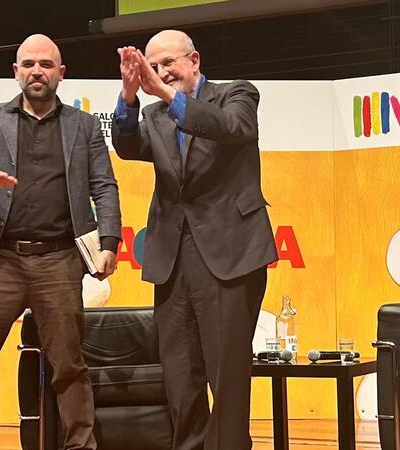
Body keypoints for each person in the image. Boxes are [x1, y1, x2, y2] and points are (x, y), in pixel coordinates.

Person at [0, 34, 121, 450]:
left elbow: (104, 186)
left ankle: (80, 446)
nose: (37, 71)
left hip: (60, 261)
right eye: (29, 63)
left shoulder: (82, 125)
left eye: (46, 65)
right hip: (2, 261)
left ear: (60, 74)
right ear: (16, 72)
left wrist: (109, 242)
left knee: (69, 366)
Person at [111, 30, 278, 450]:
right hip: (172, 257)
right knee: (180, 378)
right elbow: (128, 146)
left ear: (195, 60)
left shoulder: (236, 94)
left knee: (227, 377)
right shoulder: (153, 114)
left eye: (168, 63)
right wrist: (130, 97)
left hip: (229, 255)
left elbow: (234, 127)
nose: (162, 72)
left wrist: (168, 97)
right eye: (153, 66)